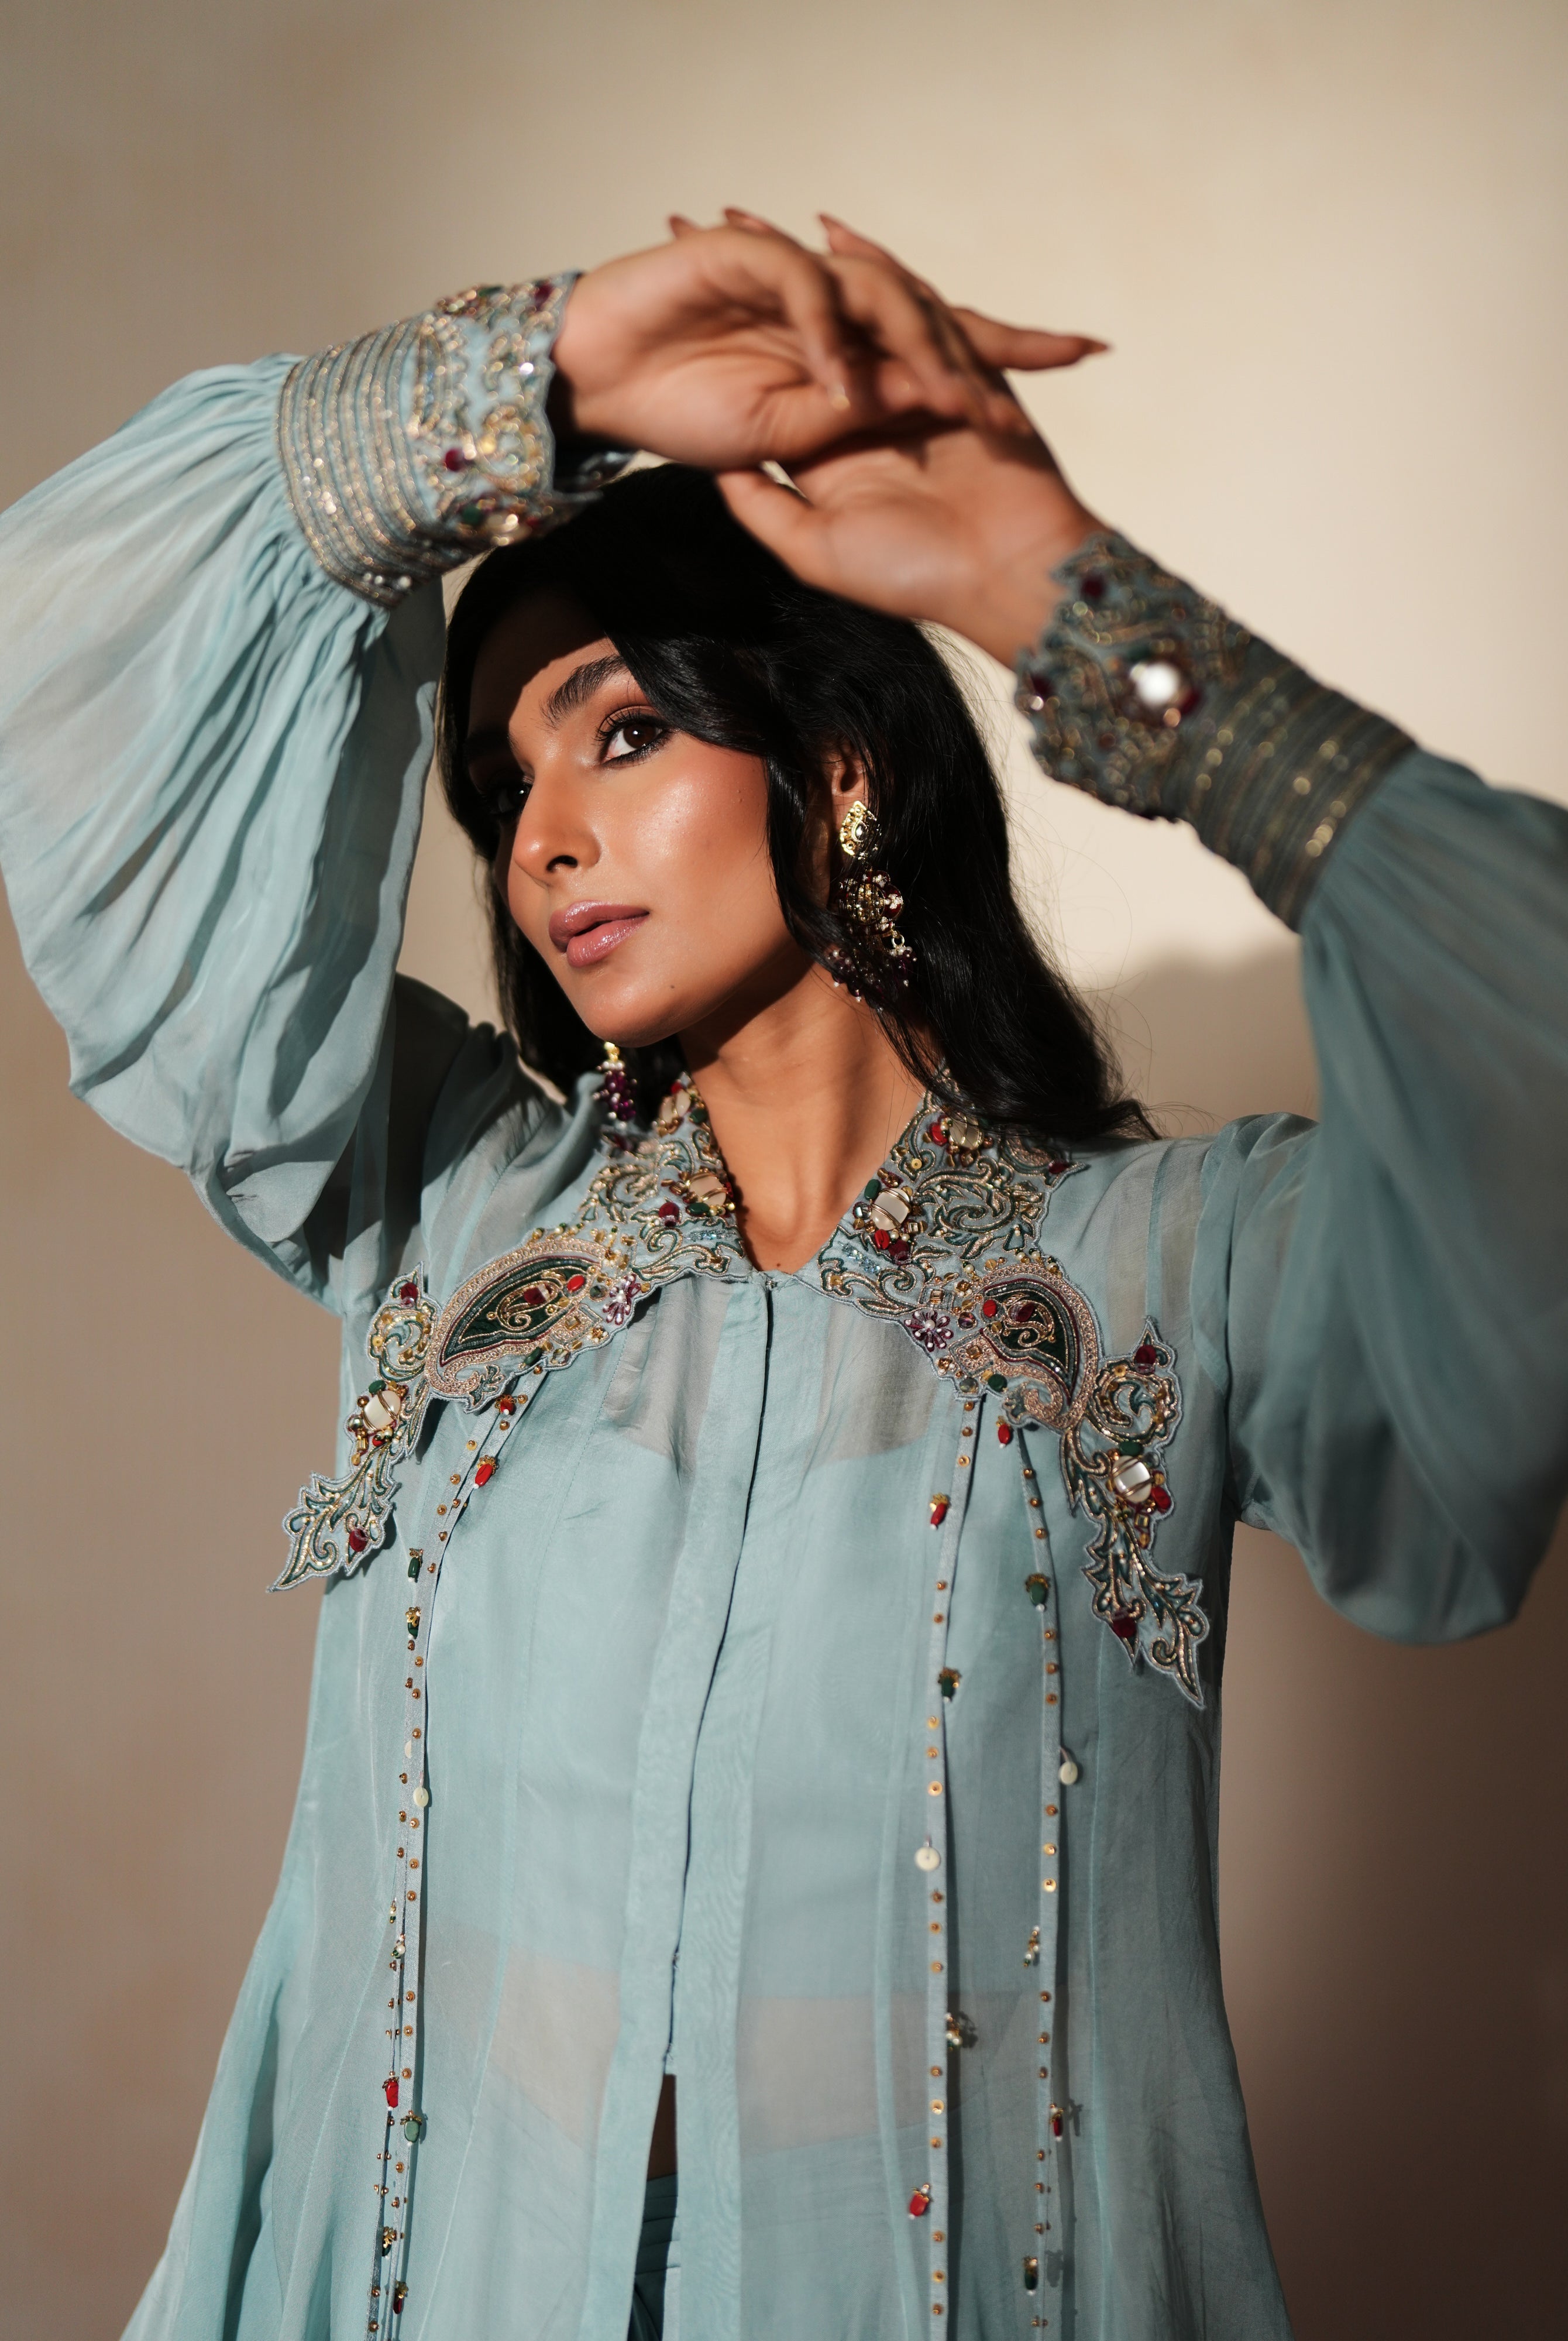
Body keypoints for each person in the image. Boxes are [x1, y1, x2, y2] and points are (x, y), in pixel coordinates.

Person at [1, 210, 1563, 2341]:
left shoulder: (1175, 1269)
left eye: (618, 735)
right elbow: (77, 702)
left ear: (831, 765)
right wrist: (537, 379)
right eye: (501, 781)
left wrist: (1053, 594)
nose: (539, 835)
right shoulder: (448, 1210)